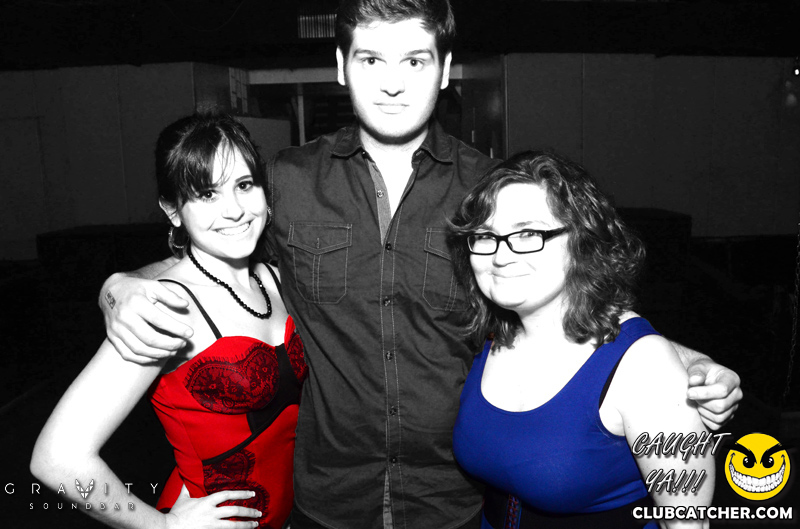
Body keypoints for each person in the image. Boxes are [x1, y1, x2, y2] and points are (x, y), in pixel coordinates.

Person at [97, 1, 741, 527]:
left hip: (454, 504)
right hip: (328, 502)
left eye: (415, 59)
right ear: (342, 67)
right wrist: (119, 287)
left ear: (445, 69)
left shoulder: (490, 191)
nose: (393, 82)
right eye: (371, 59)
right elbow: (216, 259)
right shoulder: (287, 181)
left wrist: (679, 361)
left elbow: (567, 298)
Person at [31, 112, 306, 529]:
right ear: (173, 210)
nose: (234, 210)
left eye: (244, 185)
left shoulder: (275, 277)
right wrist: (163, 526)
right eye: (207, 194)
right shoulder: (164, 307)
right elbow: (57, 459)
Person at [449, 151, 715, 528]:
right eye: (486, 235)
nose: (501, 255)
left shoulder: (646, 366)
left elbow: (688, 522)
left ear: (583, 241)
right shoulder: (490, 337)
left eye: (528, 233)